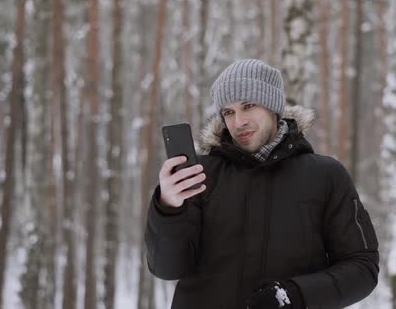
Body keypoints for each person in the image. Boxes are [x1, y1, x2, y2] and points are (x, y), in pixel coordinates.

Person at [145, 59, 379, 309]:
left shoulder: (325, 176)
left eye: (249, 106)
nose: (239, 122)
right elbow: (167, 268)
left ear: (273, 107)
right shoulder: (200, 175)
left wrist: (296, 296)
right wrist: (168, 207)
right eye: (228, 112)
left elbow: (362, 267)